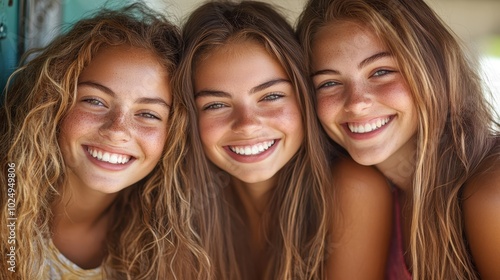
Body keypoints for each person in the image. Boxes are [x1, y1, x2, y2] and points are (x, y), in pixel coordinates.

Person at [175, 1, 392, 279]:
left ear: (304, 97)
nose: (247, 125)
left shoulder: (353, 189)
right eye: (216, 105)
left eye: (271, 96)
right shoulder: (181, 201)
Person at [0, 4, 209, 279]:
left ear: (175, 133)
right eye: (95, 101)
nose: (117, 130)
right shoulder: (7, 206)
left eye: (148, 114)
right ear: (53, 102)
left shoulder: (172, 244)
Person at [297, 0, 500, 279]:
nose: (356, 103)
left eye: (381, 71)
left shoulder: (491, 188)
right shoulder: (358, 193)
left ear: (433, 69)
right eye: (329, 83)